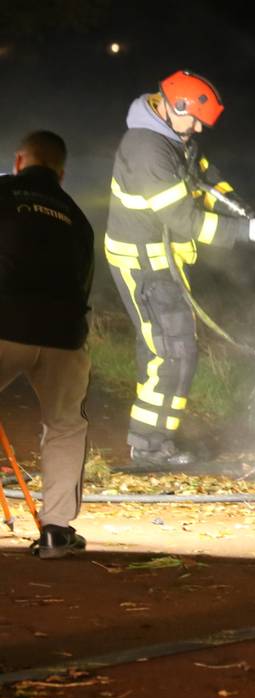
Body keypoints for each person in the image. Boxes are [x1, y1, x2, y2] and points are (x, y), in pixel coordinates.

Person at [103, 71, 255, 466]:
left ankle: (156, 440)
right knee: (173, 352)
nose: (198, 128)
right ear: (172, 106)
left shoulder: (174, 139)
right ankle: (149, 447)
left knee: (168, 350)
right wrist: (246, 231)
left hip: (160, 260)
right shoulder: (148, 151)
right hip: (144, 264)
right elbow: (186, 220)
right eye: (195, 120)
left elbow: (207, 180)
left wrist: (242, 209)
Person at [0, 131, 95, 558]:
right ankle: (56, 531)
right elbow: (84, 285)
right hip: (63, 335)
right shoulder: (78, 217)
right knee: (65, 424)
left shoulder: (3, 192)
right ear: (61, 172)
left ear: (20, 161)